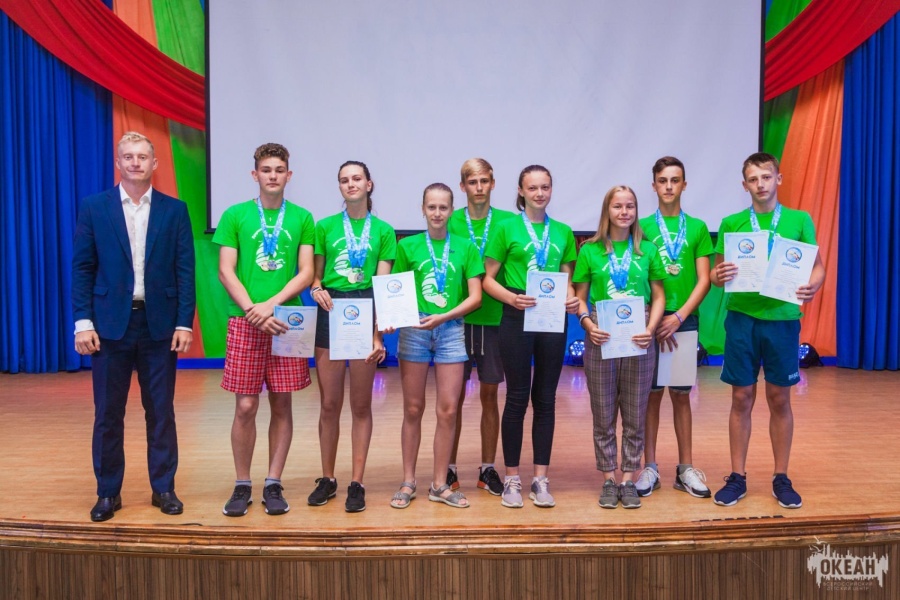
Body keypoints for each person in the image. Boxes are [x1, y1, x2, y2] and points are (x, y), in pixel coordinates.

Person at [73, 131, 196, 522]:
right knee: (108, 414)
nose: (136, 163)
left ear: (154, 163)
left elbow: (185, 270)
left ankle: (164, 488)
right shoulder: (95, 207)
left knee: (161, 412)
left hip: (159, 326)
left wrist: (184, 322)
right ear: (118, 163)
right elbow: (83, 268)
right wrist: (82, 322)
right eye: (128, 156)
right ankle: (108, 492)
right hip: (109, 327)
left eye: (143, 156)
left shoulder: (175, 210)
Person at [710, 152, 825, 509]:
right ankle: (737, 476)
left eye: (766, 177)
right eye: (753, 179)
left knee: (779, 398)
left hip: (783, 319)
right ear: (744, 185)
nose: (760, 184)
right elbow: (716, 274)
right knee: (741, 397)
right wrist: (718, 275)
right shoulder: (731, 223)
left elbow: (817, 267)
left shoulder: (798, 220)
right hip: (742, 319)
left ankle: (781, 477)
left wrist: (813, 285)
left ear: (778, 179)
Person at [213, 143, 315, 517]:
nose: (273, 175)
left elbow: (306, 271)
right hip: (245, 320)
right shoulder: (234, 215)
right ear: (255, 174)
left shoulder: (303, 217)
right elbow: (226, 270)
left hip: (286, 320)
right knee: (245, 405)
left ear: (289, 175)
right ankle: (242, 483)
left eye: (279, 169)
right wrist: (252, 311)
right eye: (266, 169)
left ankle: (273, 482)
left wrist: (271, 305)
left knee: (282, 403)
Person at [482, 165, 579, 509]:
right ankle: (512, 478)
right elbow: (487, 279)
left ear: (551, 189)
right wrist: (511, 299)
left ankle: (540, 479)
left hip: (552, 319)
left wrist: (572, 300)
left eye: (545, 187)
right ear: (521, 191)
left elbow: (569, 282)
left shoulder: (563, 232)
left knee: (546, 399)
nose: (539, 193)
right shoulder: (505, 228)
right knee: (517, 398)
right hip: (516, 314)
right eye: (533, 188)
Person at [307, 161, 395, 513]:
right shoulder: (324, 226)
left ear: (369, 184)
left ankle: (357, 482)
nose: (351, 184)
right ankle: (327, 478)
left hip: (365, 309)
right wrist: (316, 288)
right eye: (344, 180)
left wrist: (378, 335)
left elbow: (382, 287)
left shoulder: (384, 230)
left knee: (360, 405)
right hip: (331, 310)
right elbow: (315, 277)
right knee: (329, 404)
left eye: (357, 178)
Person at [389, 183, 483, 510]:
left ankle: (440, 484)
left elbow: (475, 297)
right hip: (415, 328)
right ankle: (408, 481)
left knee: (448, 409)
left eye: (444, 207)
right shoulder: (408, 246)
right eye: (432, 207)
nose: (438, 213)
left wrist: (445, 316)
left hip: (452, 329)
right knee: (413, 409)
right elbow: (395, 290)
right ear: (423, 209)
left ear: (451, 210)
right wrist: (394, 316)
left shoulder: (466, 247)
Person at [574, 185, 666, 509]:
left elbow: (659, 296)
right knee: (603, 414)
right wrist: (588, 324)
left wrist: (651, 329)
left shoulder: (648, 250)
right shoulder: (589, 251)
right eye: (617, 206)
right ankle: (608, 479)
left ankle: (628, 479)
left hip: (639, 336)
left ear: (636, 211)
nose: (624, 212)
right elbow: (580, 298)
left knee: (635, 414)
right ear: (607, 211)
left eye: (630, 206)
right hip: (601, 335)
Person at [635, 157, 714, 499]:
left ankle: (685, 469)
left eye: (675, 180)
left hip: (682, 319)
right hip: (649, 320)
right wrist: (654, 319)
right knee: (650, 396)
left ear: (684, 184)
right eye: (663, 180)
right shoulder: (639, 227)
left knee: (681, 396)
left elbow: (704, 280)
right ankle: (649, 467)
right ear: (653, 185)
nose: (669, 186)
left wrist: (679, 316)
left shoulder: (697, 228)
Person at [446, 158, 515, 496]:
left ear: (493, 183)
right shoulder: (449, 220)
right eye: (472, 182)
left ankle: (488, 468)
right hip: (455, 321)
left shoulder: (508, 222)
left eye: (484, 181)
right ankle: (447, 467)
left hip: (495, 320)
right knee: (453, 398)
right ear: (462, 186)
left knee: (490, 395)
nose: (478, 187)